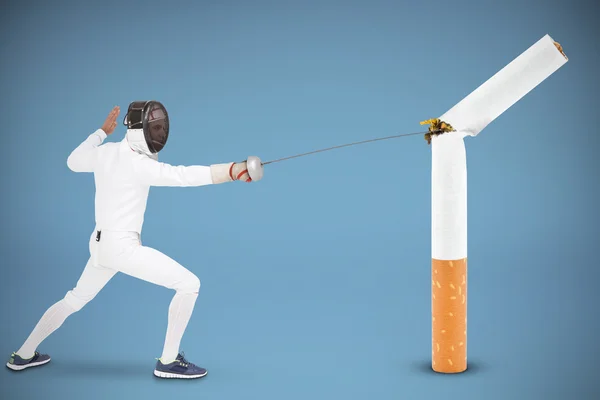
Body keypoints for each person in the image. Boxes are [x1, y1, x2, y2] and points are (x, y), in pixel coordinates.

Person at [6, 102, 263, 379]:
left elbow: (73, 161)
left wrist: (100, 133)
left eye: (161, 127)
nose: (160, 132)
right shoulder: (138, 164)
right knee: (189, 284)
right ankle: (167, 361)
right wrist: (232, 170)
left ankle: (23, 355)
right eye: (156, 127)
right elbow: (183, 176)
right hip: (121, 248)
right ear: (143, 130)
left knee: (75, 299)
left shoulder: (105, 152)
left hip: (99, 244)